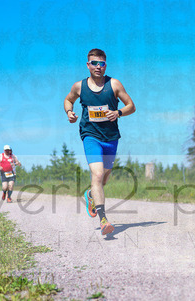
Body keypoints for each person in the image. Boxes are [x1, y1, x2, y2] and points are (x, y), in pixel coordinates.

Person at [63, 48, 136, 235]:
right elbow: (68, 100)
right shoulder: (79, 86)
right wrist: (69, 112)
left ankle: (90, 195)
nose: (98, 67)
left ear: (105, 65)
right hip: (90, 135)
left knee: (104, 178)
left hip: (111, 137)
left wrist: (118, 112)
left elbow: (131, 106)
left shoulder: (114, 84)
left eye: (101, 63)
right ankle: (104, 219)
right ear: (88, 65)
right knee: (97, 174)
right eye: (94, 63)